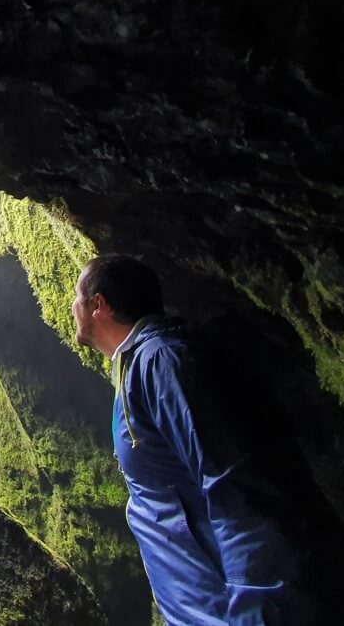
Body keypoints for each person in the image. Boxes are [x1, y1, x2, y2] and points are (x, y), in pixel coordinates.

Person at [71, 254, 314, 625]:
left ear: (98, 305)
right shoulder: (136, 366)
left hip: (224, 608)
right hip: (198, 608)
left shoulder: (162, 362)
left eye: (77, 297)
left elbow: (235, 487)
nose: (72, 308)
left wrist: (255, 611)